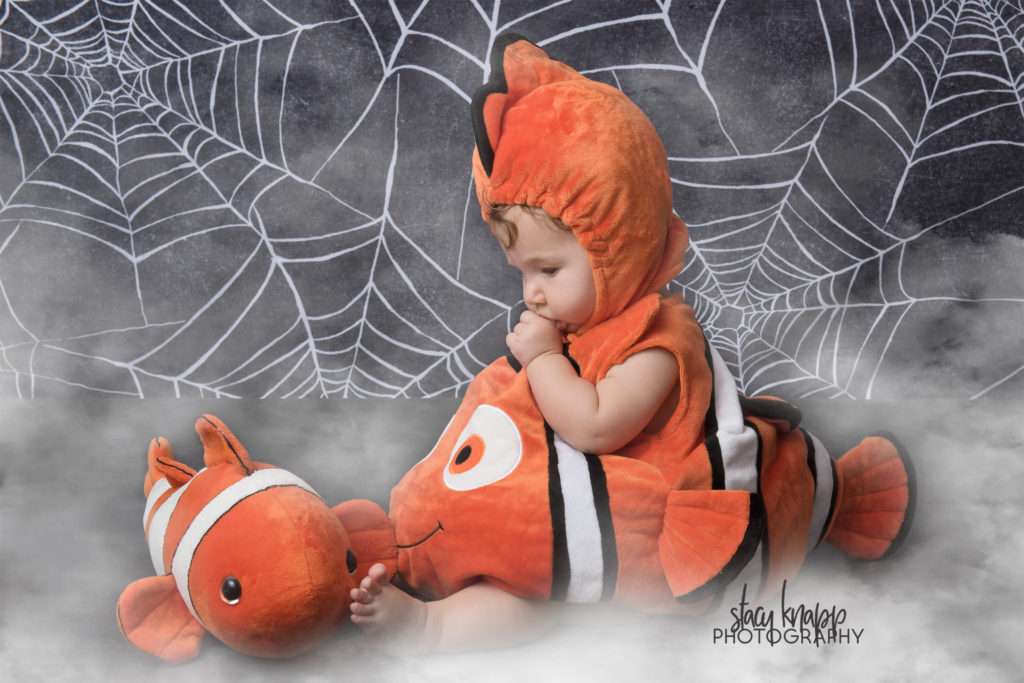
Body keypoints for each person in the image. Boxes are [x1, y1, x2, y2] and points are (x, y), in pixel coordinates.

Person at [348, 35, 913, 653]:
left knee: (540, 594)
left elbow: (595, 427)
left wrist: (540, 360)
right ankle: (424, 577)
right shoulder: (583, 326)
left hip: (662, 520)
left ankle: (432, 627)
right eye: (522, 273)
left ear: (616, 248)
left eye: (549, 271)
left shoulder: (656, 344)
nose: (531, 293)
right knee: (511, 555)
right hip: (580, 508)